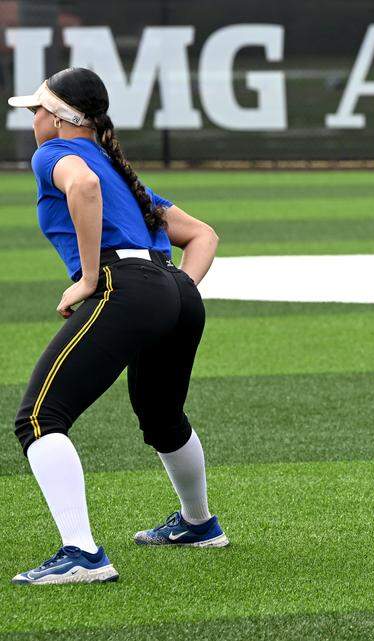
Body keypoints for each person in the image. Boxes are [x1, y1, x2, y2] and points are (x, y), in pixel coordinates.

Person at [8, 67, 227, 585]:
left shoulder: (56, 156)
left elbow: (81, 188)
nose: (32, 119)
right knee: (161, 415)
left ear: (60, 119)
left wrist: (88, 279)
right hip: (173, 287)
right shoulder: (119, 168)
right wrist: (174, 295)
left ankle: (81, 553)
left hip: (126, 283)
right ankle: (199, 524)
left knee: (38, 419)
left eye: (37, 109)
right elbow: (204, 237)